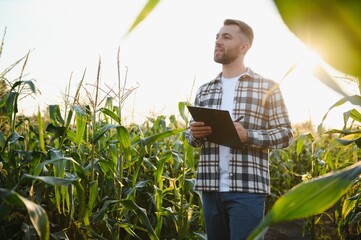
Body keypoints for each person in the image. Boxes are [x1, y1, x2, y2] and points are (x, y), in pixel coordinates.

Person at [185, 19, 293, 240]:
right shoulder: (205, 90)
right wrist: (194, 135)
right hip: (210, 188)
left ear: (244, 47)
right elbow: (190, 138)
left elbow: (286, 134)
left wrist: (248, 135)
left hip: (247, 189)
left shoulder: (267, 87)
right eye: (217, 36)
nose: (217, 42)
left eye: (226, 37)